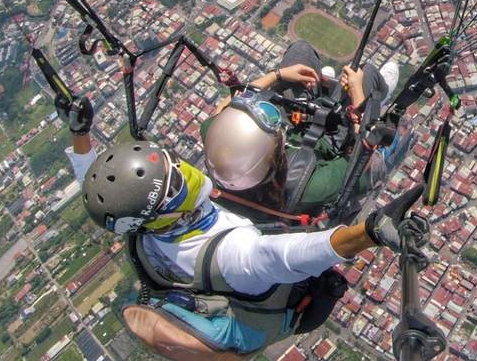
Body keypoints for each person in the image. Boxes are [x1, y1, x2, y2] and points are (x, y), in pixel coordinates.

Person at [64, 104, 421, 358]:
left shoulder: (140, 226)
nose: (182, 170)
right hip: (270, 299)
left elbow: (96, 187)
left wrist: (80, 134)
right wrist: (370, 231)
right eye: (173, 183)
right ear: (161, 212)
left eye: (172, 163)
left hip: (199, 284)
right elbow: (290, 256)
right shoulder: (231, 253)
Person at [201, 41, 402, 217]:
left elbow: (229, 104)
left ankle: (313, 91)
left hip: (293, 133)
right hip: (321, 150)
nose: (271, 118)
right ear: (274, 153)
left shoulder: (220, 144)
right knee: (367, 73)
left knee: (300, 51)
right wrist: (359, 94)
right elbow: (364, 158)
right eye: (269, 126)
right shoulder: (310, 185)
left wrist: (278, 75)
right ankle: (380, 91)